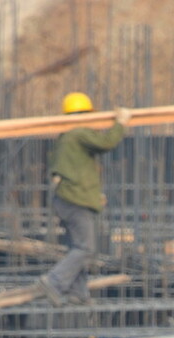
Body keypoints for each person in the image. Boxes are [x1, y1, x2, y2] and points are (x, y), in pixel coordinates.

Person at [38, 92, 131, 306]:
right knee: (85, 249)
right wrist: (121, 123)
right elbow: (106, 142)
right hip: (75, 203)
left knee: (78, 247)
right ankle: (54, 281)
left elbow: (78, 173)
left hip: (69, 200)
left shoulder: (67, 138)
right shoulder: (78, 133)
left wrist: (93, 195)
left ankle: (78, 293)